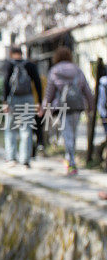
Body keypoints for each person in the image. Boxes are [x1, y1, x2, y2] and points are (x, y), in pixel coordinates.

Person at [41, 46, 94, 176]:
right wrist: (91, 106)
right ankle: (70, 161)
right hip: (77, 106)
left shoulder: (54, 71)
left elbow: (49, 93)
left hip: (62, 107)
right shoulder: (77, 70)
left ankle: (71, 163)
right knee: (73, 134)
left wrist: (44, 108)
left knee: (67, 135)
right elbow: (87, 89)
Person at [2, 46, 43, 168]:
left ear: (11, 53)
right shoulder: (30, 65)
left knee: (10, 129)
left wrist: (4, 101)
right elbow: (37, 83)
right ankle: (25, 160)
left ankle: (11, 158)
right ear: (21, 53)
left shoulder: (9, 65)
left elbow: (5, 83)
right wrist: (39, 102)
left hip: (12, 99)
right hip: (28, 99)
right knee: (26, 129)